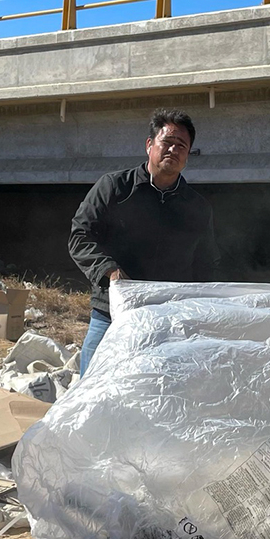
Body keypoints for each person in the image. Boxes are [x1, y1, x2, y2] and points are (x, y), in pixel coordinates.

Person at [68, 108, 219, 374]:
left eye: (181, 145)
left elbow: (205, 265)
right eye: (167, 142)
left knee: (155, 392)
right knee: (91, 385)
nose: (173, 150)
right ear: (149, 145)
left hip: (167, 321)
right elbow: (80, 236)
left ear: (188, 155)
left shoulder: (197, 207)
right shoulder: (114, 188)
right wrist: (109, 271)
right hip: (111, 314)